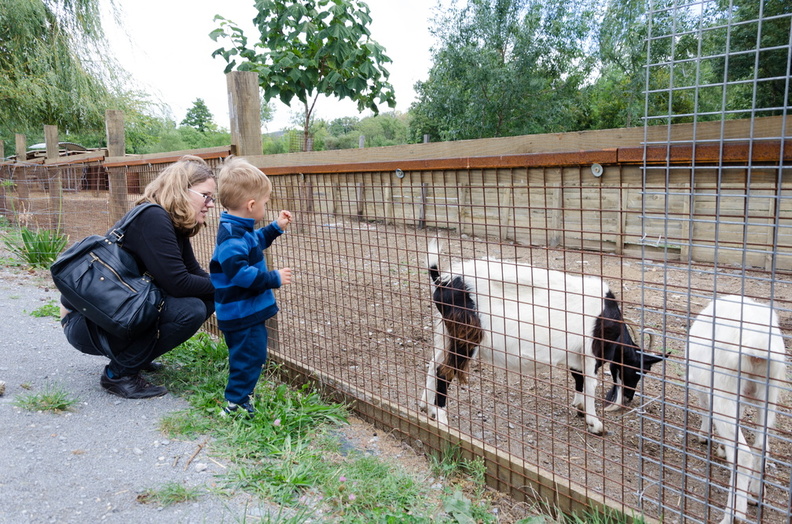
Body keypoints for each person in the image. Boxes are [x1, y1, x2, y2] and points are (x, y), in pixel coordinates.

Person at [60, 155, 217, 399]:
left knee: (207, 299)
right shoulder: (153, 217)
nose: (211, 204)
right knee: (191, 309)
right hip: (86, 324)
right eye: (206, 196)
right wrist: (235, 285)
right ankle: (118, 374)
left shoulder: (171, 220)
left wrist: (228, 285)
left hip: (109, 316)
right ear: (182, 190)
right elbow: (179, 284)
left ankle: (136, 357)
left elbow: (192, 272)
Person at [209, 156, 293, 417]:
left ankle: (241, 397)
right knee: (248, 357)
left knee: (252, 355)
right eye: (265, 203)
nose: (266, 207)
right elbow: (240, 274)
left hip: (244, 310)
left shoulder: (239, 228)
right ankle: (235, 404)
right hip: (241, 313)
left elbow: (255, 241)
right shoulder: (232, 236)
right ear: (251, 205)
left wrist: (275, 228)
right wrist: (273, 278)